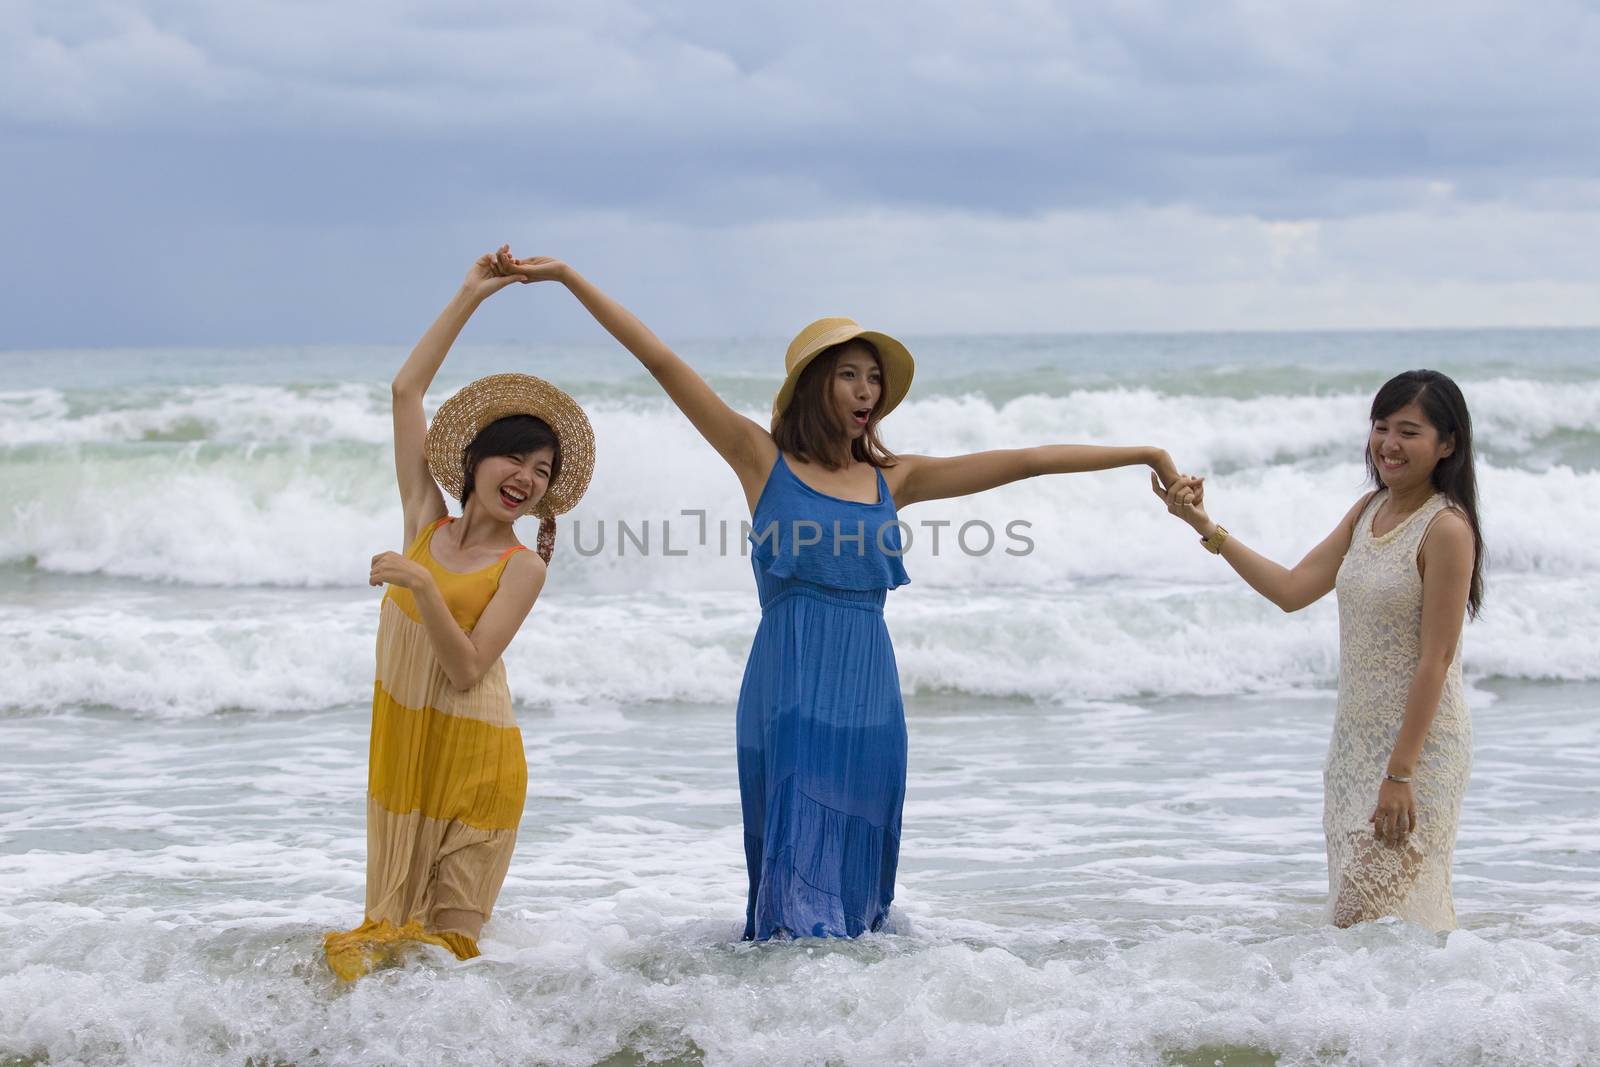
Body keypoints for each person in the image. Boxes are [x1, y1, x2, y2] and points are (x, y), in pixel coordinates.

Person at [496, 247, 1186, 940]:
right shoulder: (760, 460)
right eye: (849, 375)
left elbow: (1027, 461)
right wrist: (568, 277)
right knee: (792, 889)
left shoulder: (897, 478)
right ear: (814, 385)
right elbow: (663, 363)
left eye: (874, 379)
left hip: (871, 693)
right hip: (790, 684)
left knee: (861, 903)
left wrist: (1146, 454)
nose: (866, 390)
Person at [324, 248, 595, 978]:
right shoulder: (425, 520)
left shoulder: (523, 566)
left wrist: (422, 585)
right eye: (519, 459)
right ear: (477, 458)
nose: (529, 479)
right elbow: (406, 390)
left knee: (446, 964)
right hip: (408, 760)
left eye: (543, 472)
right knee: (386, 952)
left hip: (481, 771)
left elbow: (468, 663)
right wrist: (471, 294)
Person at [1155, 370, 1482, 931]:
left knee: (1356, 924)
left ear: (1447, 444)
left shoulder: (1446, 529)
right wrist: (1204, 527)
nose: (1389, 445)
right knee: (1379, 931)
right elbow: (1290, 590)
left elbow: (1437, 659)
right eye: (1381, 427)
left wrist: (1400, 773)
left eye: (1410, 431)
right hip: (1355, 752)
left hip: (1417, 755)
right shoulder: (1366, 513)